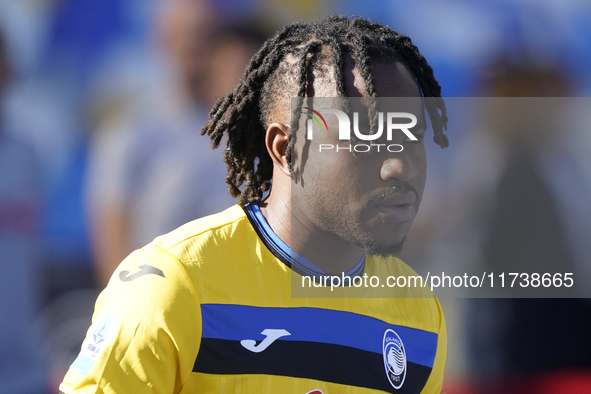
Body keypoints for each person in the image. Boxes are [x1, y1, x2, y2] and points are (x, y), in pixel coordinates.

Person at [60, 15, 449, 394]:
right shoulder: (174, 286)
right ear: (287, 149)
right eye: (365, 137)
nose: (399, 165)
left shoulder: (420, 314)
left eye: (411, 134)